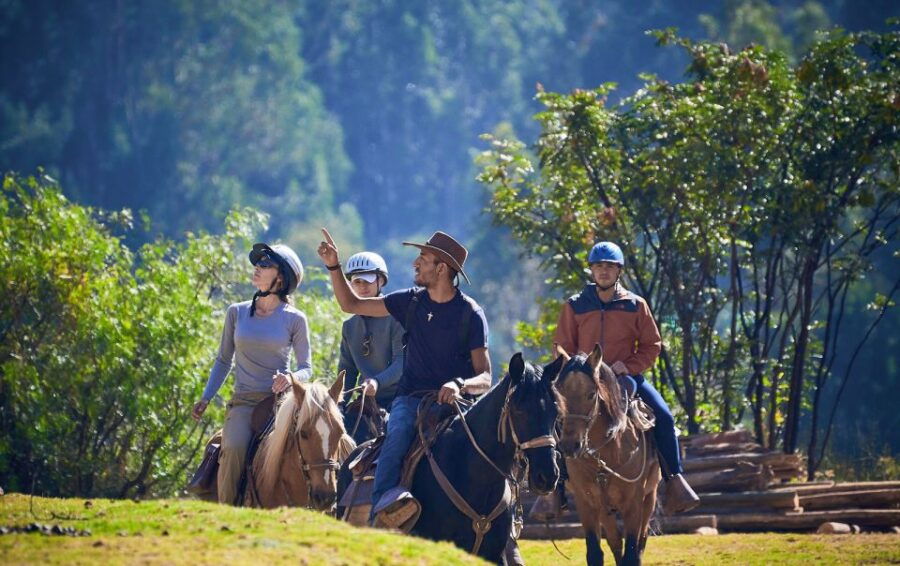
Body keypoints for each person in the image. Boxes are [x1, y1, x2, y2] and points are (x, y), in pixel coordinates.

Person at [316, 228, 491, 526]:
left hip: (457, 405)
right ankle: (382, 515)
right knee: (395, 441)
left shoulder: (470, 314)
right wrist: (334, 266)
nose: (415, 263)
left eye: (423, 258)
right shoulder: (410, 302)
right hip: (411, 401)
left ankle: (502, 521)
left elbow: (486, 376)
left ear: (441, 268)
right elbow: (352, 305)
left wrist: (459, 384)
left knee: (490, 451)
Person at [531, 241, 700, 519]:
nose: (603, 271)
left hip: (626, 378)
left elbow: (652, 345)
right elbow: (562, 347)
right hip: (584, 382)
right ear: (592, 271)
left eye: (609, 266)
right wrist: (575, 372)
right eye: (598, 266)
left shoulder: (635, 305)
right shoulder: (574, 306)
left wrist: (628, 365)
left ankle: (675, 481)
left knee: (665, 417)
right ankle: (554, 491)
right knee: (556, 420)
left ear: (619, 270)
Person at [191, 242, 311, 505]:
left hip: (280, 404)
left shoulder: (295, 319)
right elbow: (223, 359)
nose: (257, 268)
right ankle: (228, 509)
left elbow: (306, 369)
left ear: (281, 277)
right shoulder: (236, 312)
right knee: (234, 448)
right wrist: (206, 397)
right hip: (244, 402)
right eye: (257, 263)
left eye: (265, 264)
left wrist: (291, 379)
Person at [338, 251, 405, 409]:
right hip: (365, 401)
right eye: (357, 282)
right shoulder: (349, 327)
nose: (362, 287)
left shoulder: (397, 319)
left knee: (398, 432)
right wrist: (339, 402)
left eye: (367, 281)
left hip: (400, 398)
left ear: (380, 281)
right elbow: (347, 370)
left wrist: (377, 382)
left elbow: (401, 362)